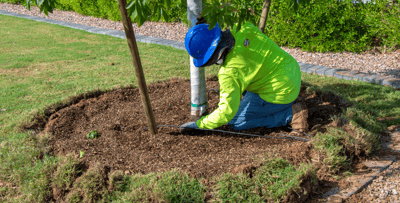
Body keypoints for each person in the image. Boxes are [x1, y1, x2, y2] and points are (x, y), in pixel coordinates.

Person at [181, 18, 308, 133]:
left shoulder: (230, 72)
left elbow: (226, 112)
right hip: (290, 70)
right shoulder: (242, 26)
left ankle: (290, 115)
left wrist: (199, 125)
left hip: (282, 91)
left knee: (236, 122)